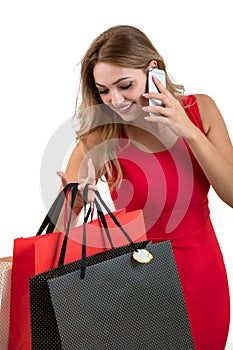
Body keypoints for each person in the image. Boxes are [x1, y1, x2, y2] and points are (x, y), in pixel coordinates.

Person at [57, 25, 232, 349]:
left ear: (153, 71)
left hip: (202, 274)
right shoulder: (101, 136)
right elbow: (63, 231)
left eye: (125, 85)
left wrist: (188, 130)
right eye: (104, 90)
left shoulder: (201, 109)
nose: (115, 100)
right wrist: (74, 201)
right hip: (135, 281)